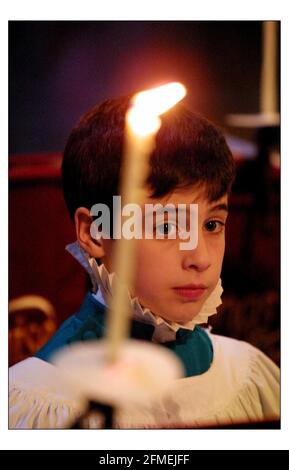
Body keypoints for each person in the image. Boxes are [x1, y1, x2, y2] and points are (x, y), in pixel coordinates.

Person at [9, 96, 280, 429]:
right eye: (166, 227)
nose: (200, 258)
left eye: (212, 225)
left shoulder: (247, 374)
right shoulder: (32, 401)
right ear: (95, 233)